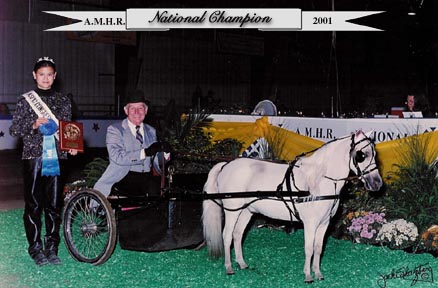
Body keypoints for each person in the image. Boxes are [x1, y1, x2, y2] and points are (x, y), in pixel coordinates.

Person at [9, 56, 78, 266]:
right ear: (34, 75)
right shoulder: (25, 100)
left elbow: (67, 128)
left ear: (55, 76)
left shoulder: (64, 100)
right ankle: (35, 247)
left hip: (57, 156)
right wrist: (33, 124)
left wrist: (73, 144)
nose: (46, 78)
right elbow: (14, 129)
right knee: (34, 203)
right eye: (41, 74)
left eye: (49, 74)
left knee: (54, 203)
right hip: (33, 157)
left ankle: (52, 246)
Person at [93, 90, 170, 198]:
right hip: (123, 176)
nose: (137, 112)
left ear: (146, 110)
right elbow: (117, 156)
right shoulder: (115, 129)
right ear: (126, 110)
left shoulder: (151, 131)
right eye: (132, 108)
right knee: (152, 188)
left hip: (146, 177)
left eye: (140, 108)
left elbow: (157, 161)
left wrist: (165, 153)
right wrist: (144, 152)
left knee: (164, 190)